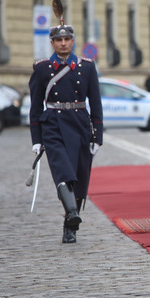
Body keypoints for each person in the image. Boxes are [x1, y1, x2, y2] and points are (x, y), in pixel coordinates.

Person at [28, 23, 103, 244]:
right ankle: (72, 213)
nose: (63, 43)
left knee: (79, 175)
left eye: (67, 39)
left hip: (80, 123)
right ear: (52, 43)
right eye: (58, 40)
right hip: (53, 124)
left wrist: (97, 135)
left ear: (73, 41)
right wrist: (36, 138)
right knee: (62, 170)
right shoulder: (42, 68)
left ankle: (69, 226)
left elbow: (96, 103)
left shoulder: (87, 67)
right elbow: (35, 106)